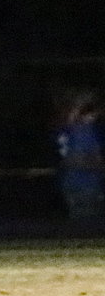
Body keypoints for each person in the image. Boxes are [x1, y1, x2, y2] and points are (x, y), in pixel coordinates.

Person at [54, 89, 104, 224]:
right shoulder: (84, 131)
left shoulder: (64, 130)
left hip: (70, 182)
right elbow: (82, 160)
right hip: (85, 184)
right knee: (88, 225)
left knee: (78, 222)